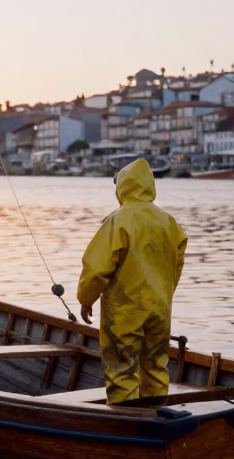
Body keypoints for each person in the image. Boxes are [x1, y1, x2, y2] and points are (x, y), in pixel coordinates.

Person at [77, 158, 187, 406]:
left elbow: (96, 268)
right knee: (156, 366)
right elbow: (176, 267)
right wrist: (163, 293)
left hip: (125, 311)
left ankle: (126, 422)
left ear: (123, 187)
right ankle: (156, 417)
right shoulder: (168, 222)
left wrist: (86, 300)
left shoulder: (119, 220)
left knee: (122, 368)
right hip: (160, 309)